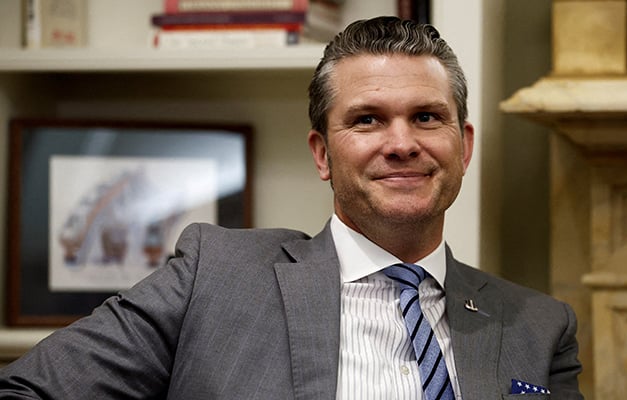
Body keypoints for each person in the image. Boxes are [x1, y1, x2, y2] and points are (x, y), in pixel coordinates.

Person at [0, 16, 583, 399]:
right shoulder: (214, 276)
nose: (402, 142)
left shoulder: (539, 327)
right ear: (322, 153)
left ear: (465, 145)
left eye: (427, 117)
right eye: (367, 120)